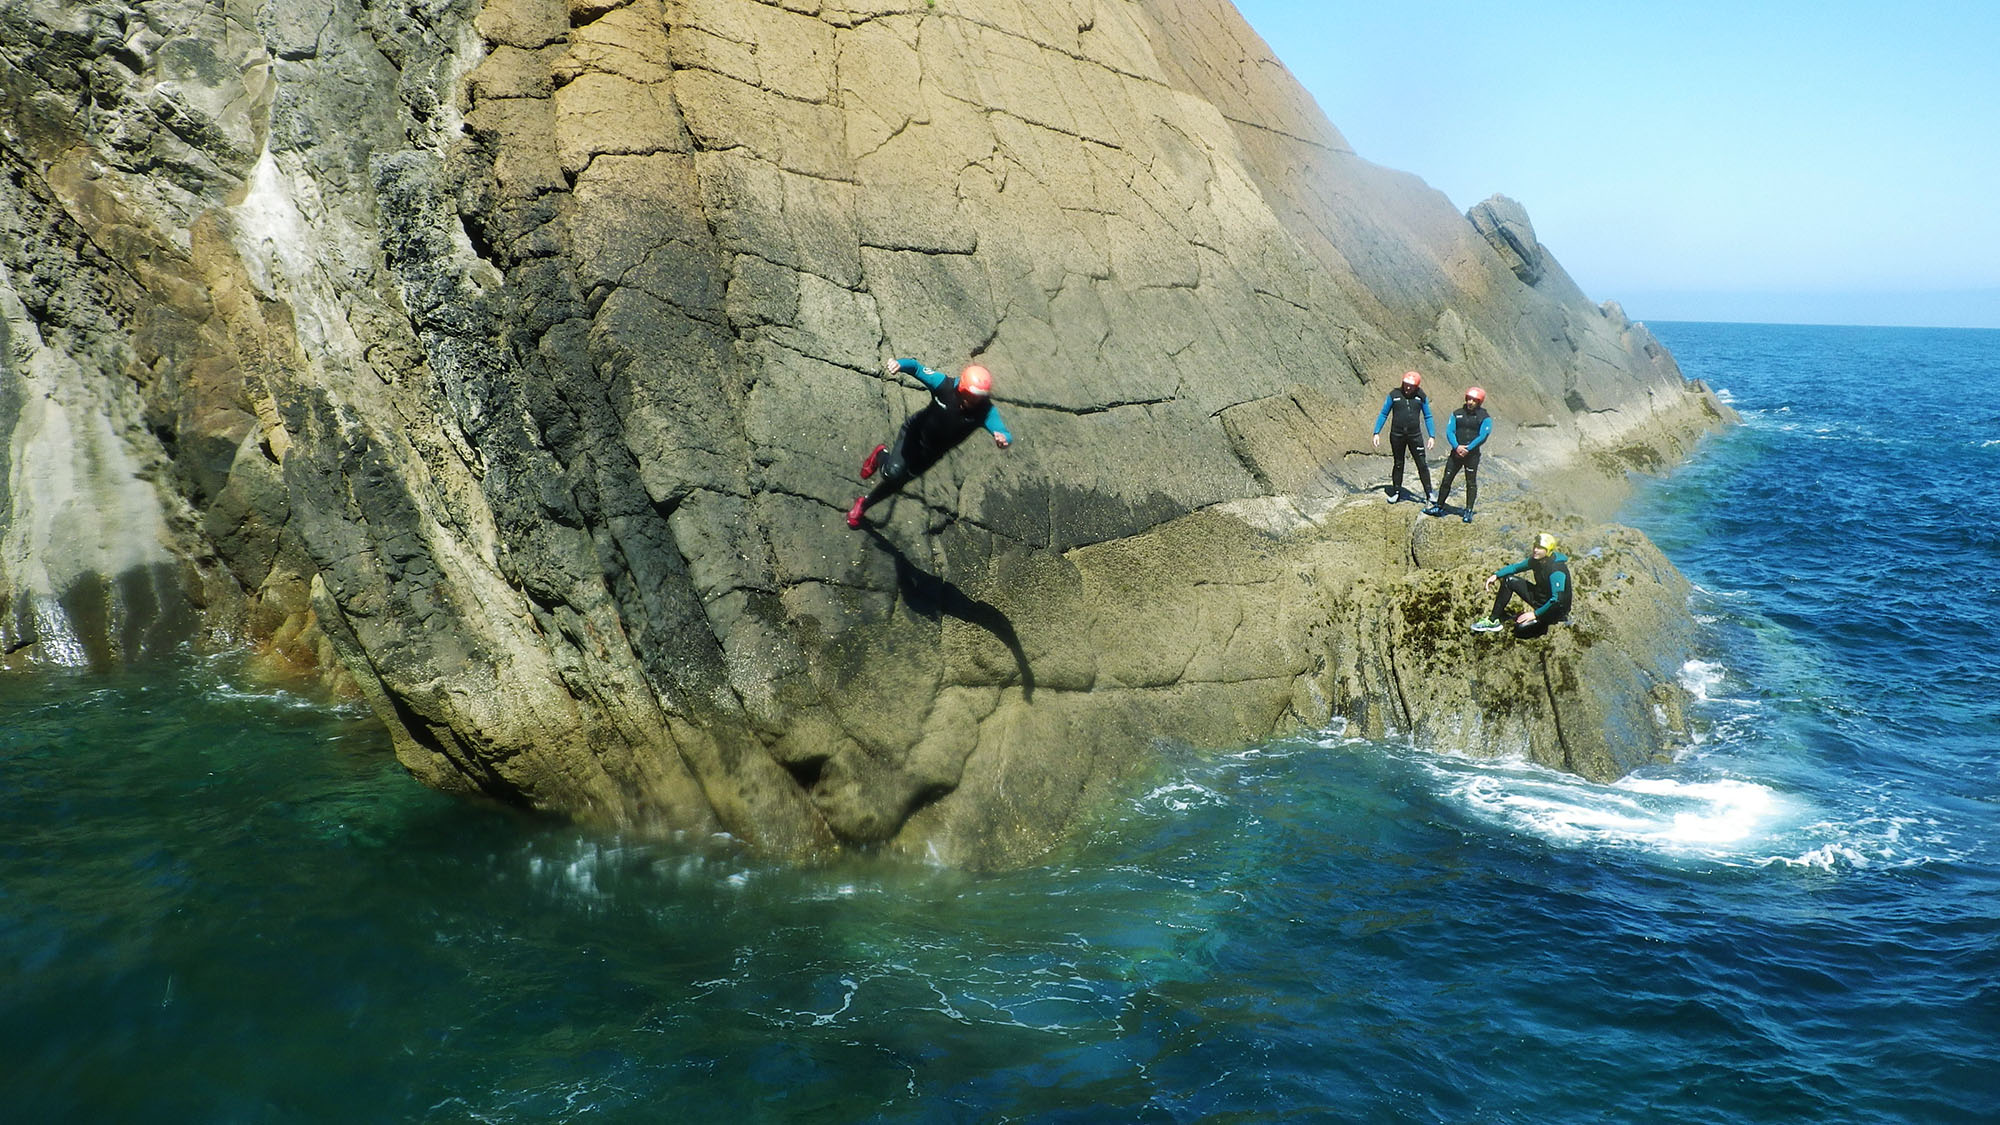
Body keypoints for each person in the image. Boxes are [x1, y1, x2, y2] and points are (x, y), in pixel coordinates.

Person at [848, 357, 1014, 529]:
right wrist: (900, 365)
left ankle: (863, 504)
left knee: (898, 482)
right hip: (913, 434)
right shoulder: (945, 386)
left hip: (931, 453)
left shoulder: (986, 411)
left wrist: (1003, 439)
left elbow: (1003, 433)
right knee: (892, 473)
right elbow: (917, 368)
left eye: (981, 397)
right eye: (972, 395)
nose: (976, 400)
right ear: (963, 387)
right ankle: (881, 454)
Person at [1473, 532, 1572, 637]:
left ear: (1548, 551)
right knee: (1508, 580)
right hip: (1540, 598)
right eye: (1535, 546)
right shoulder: (1536, 560)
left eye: (1540, 548)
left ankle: (1544, 623)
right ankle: (1493, 620)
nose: (1535, 550)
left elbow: (1557, 599)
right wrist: (1496, 575)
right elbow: (1516, 568)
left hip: (1555, 610)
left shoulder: (1556, 570)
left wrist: (1535, 614)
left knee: (1520, 629)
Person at [1426, 386, 1491, 522]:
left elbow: (1483, 435)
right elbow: (1450, 431)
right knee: (1446, 480)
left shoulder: (1484, 417)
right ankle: (1439, 506)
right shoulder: (1457, 413)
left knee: (1470, 482)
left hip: (1472, 455)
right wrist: (1457, 447)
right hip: (1456, 453)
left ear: (1479, 402)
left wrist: (1468, 448)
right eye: (1469, 399)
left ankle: (1468, 510)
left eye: (1474, 400)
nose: (1470, 402)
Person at [1371, 371, 1434, 503]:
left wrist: (1431, 436)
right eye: (1406, 384)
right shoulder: (1394, 395)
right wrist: (1376, 432)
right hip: (1397, 435)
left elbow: (1428, 416)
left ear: (1416, 386)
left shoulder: (1421, 397)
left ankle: (1429, 493)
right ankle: (1397, 491)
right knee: (1399, 463)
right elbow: (1384, 414)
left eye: (1411, 385)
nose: (1408, 387)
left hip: (1414, 435)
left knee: (1422, 464)